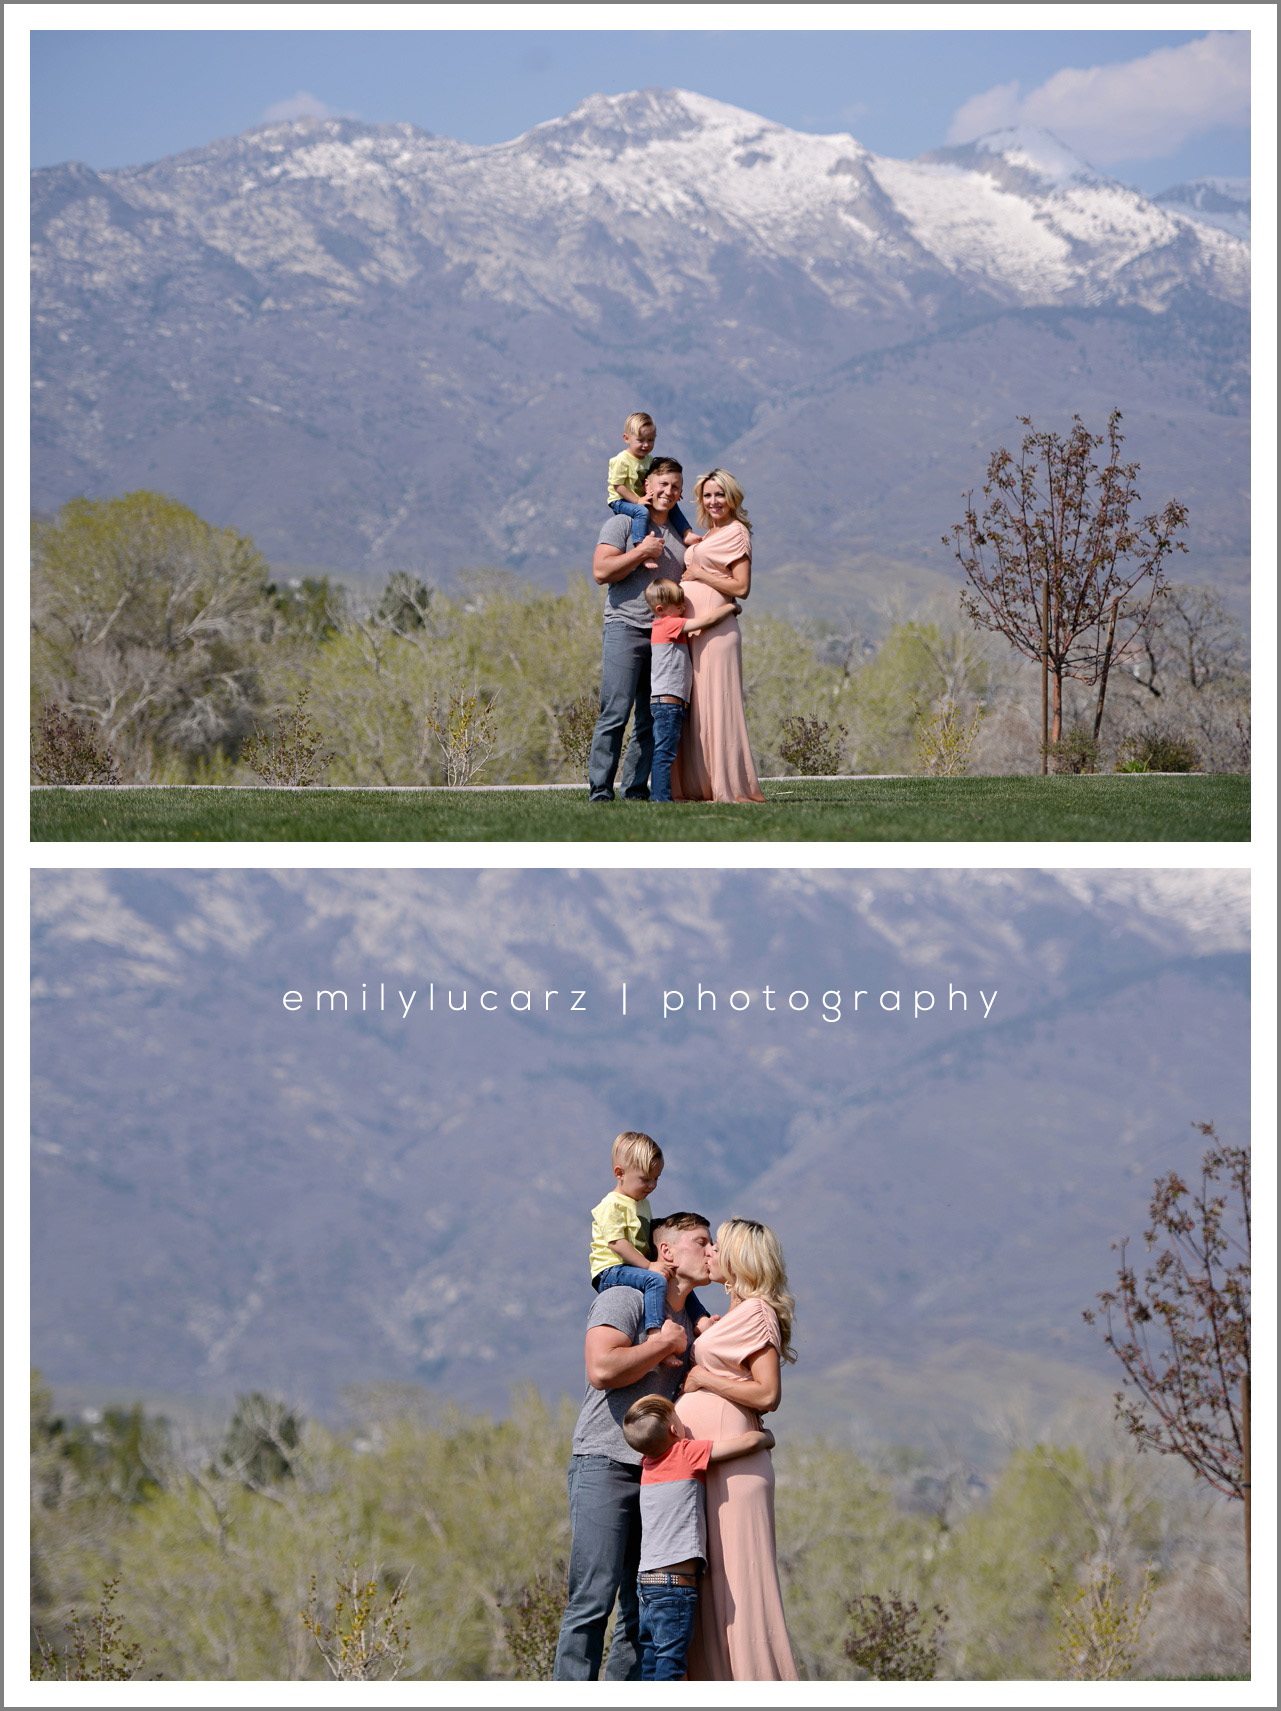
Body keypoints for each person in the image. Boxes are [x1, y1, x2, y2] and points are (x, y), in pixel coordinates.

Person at [552, 1211, 716, 1680]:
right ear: (666, 1251)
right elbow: (601, 1369)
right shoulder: (625, 1295)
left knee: (641, 1609)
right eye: (701, 1242)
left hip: (660, 1475)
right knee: (592, 1600)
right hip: (605, 1463)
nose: (711, 1252)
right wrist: (664, 1345)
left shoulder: (692, 1316)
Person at [675, 1217, 798, 1680]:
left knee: (742, 1591)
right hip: (712, 1464)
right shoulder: (738, 1314)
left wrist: (704, 1378)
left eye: (717, 1246)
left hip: (735, 1473)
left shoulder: (760, 1313)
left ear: (740, 1258)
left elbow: (768, 1395)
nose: (709, 1252)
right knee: (713, 1588)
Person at [621, 1394, 774, 1680]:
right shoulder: (684, 1453)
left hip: (646, 1584)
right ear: (674, 1431)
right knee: (671, 1665)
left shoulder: (648, 1464)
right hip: (673, 1586)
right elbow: (748, 1443)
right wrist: (767, 1437)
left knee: (652, 1662)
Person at [587, 456, 688, 803]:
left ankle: (634, 790)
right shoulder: (622, 524)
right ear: (647, 485)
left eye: (675, 486)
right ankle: (600, 790)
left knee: (649, 717)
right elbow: (601, 572)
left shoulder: (680, 536)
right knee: (615, 711)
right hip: (624, 625)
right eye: (662, 484)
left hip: (664, 638)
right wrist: (641, 552)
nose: (668, 492)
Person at [670, 469, 765, 805]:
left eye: (719, 495)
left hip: (718, 632)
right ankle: (698, 785)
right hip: (692, 631)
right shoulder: (708, 535)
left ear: (732, 498)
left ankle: (729, 786)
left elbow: (742, 587)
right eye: (708, 495)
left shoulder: (737, 533)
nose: (713, 501)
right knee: (695, 709)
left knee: (718, 706)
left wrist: (699, 574)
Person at [589, 1131, 713, 1341]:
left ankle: (701, 1319)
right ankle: (655, 1331)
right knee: (655, 1280)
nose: (652, 1185)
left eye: (656, 1179)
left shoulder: (642, 1204)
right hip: (611, 1269)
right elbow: (617, 1243)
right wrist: (648, 1266)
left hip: (632, 1265)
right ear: (620, 1173)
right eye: (645, 1179)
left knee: (676, 1276)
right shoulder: (612, 1205)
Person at [643, 579, 741, 804]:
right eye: (678, 605)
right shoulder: (668, 624)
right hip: (668, 702)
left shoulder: (665, 625)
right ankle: (660, 798)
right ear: (661, 610)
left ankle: (662, 795)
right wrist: (730, 607)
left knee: (665, 750)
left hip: (669, 701)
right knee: (664, 753)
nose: (683, 608)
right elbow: (705, 622)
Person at [606, 411, 699, 547]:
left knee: (673, 506)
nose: (646, 445)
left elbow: (654, 480)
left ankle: (687, 533)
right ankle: (640, 543)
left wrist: (674, 491)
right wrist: (638, 501)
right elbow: (618, 486)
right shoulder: (622, 460)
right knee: (641, 511)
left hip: (639, 497)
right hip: (620, 500)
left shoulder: (649, 459)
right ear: (626, 438)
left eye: (650, 440)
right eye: (640, 440)